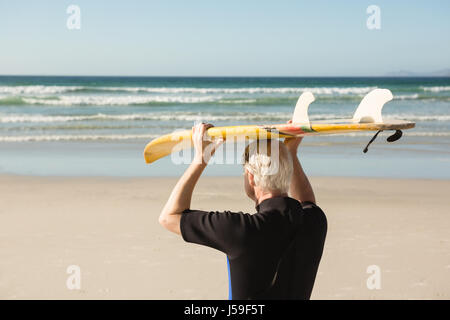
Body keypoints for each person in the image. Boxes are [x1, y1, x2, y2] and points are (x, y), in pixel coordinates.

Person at [159, 122, 327, 300]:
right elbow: (307, 201)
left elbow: (169, 217)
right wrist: (290, 153)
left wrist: (200, 159)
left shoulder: (242, 230)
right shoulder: (315, 221)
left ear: (251, 177)